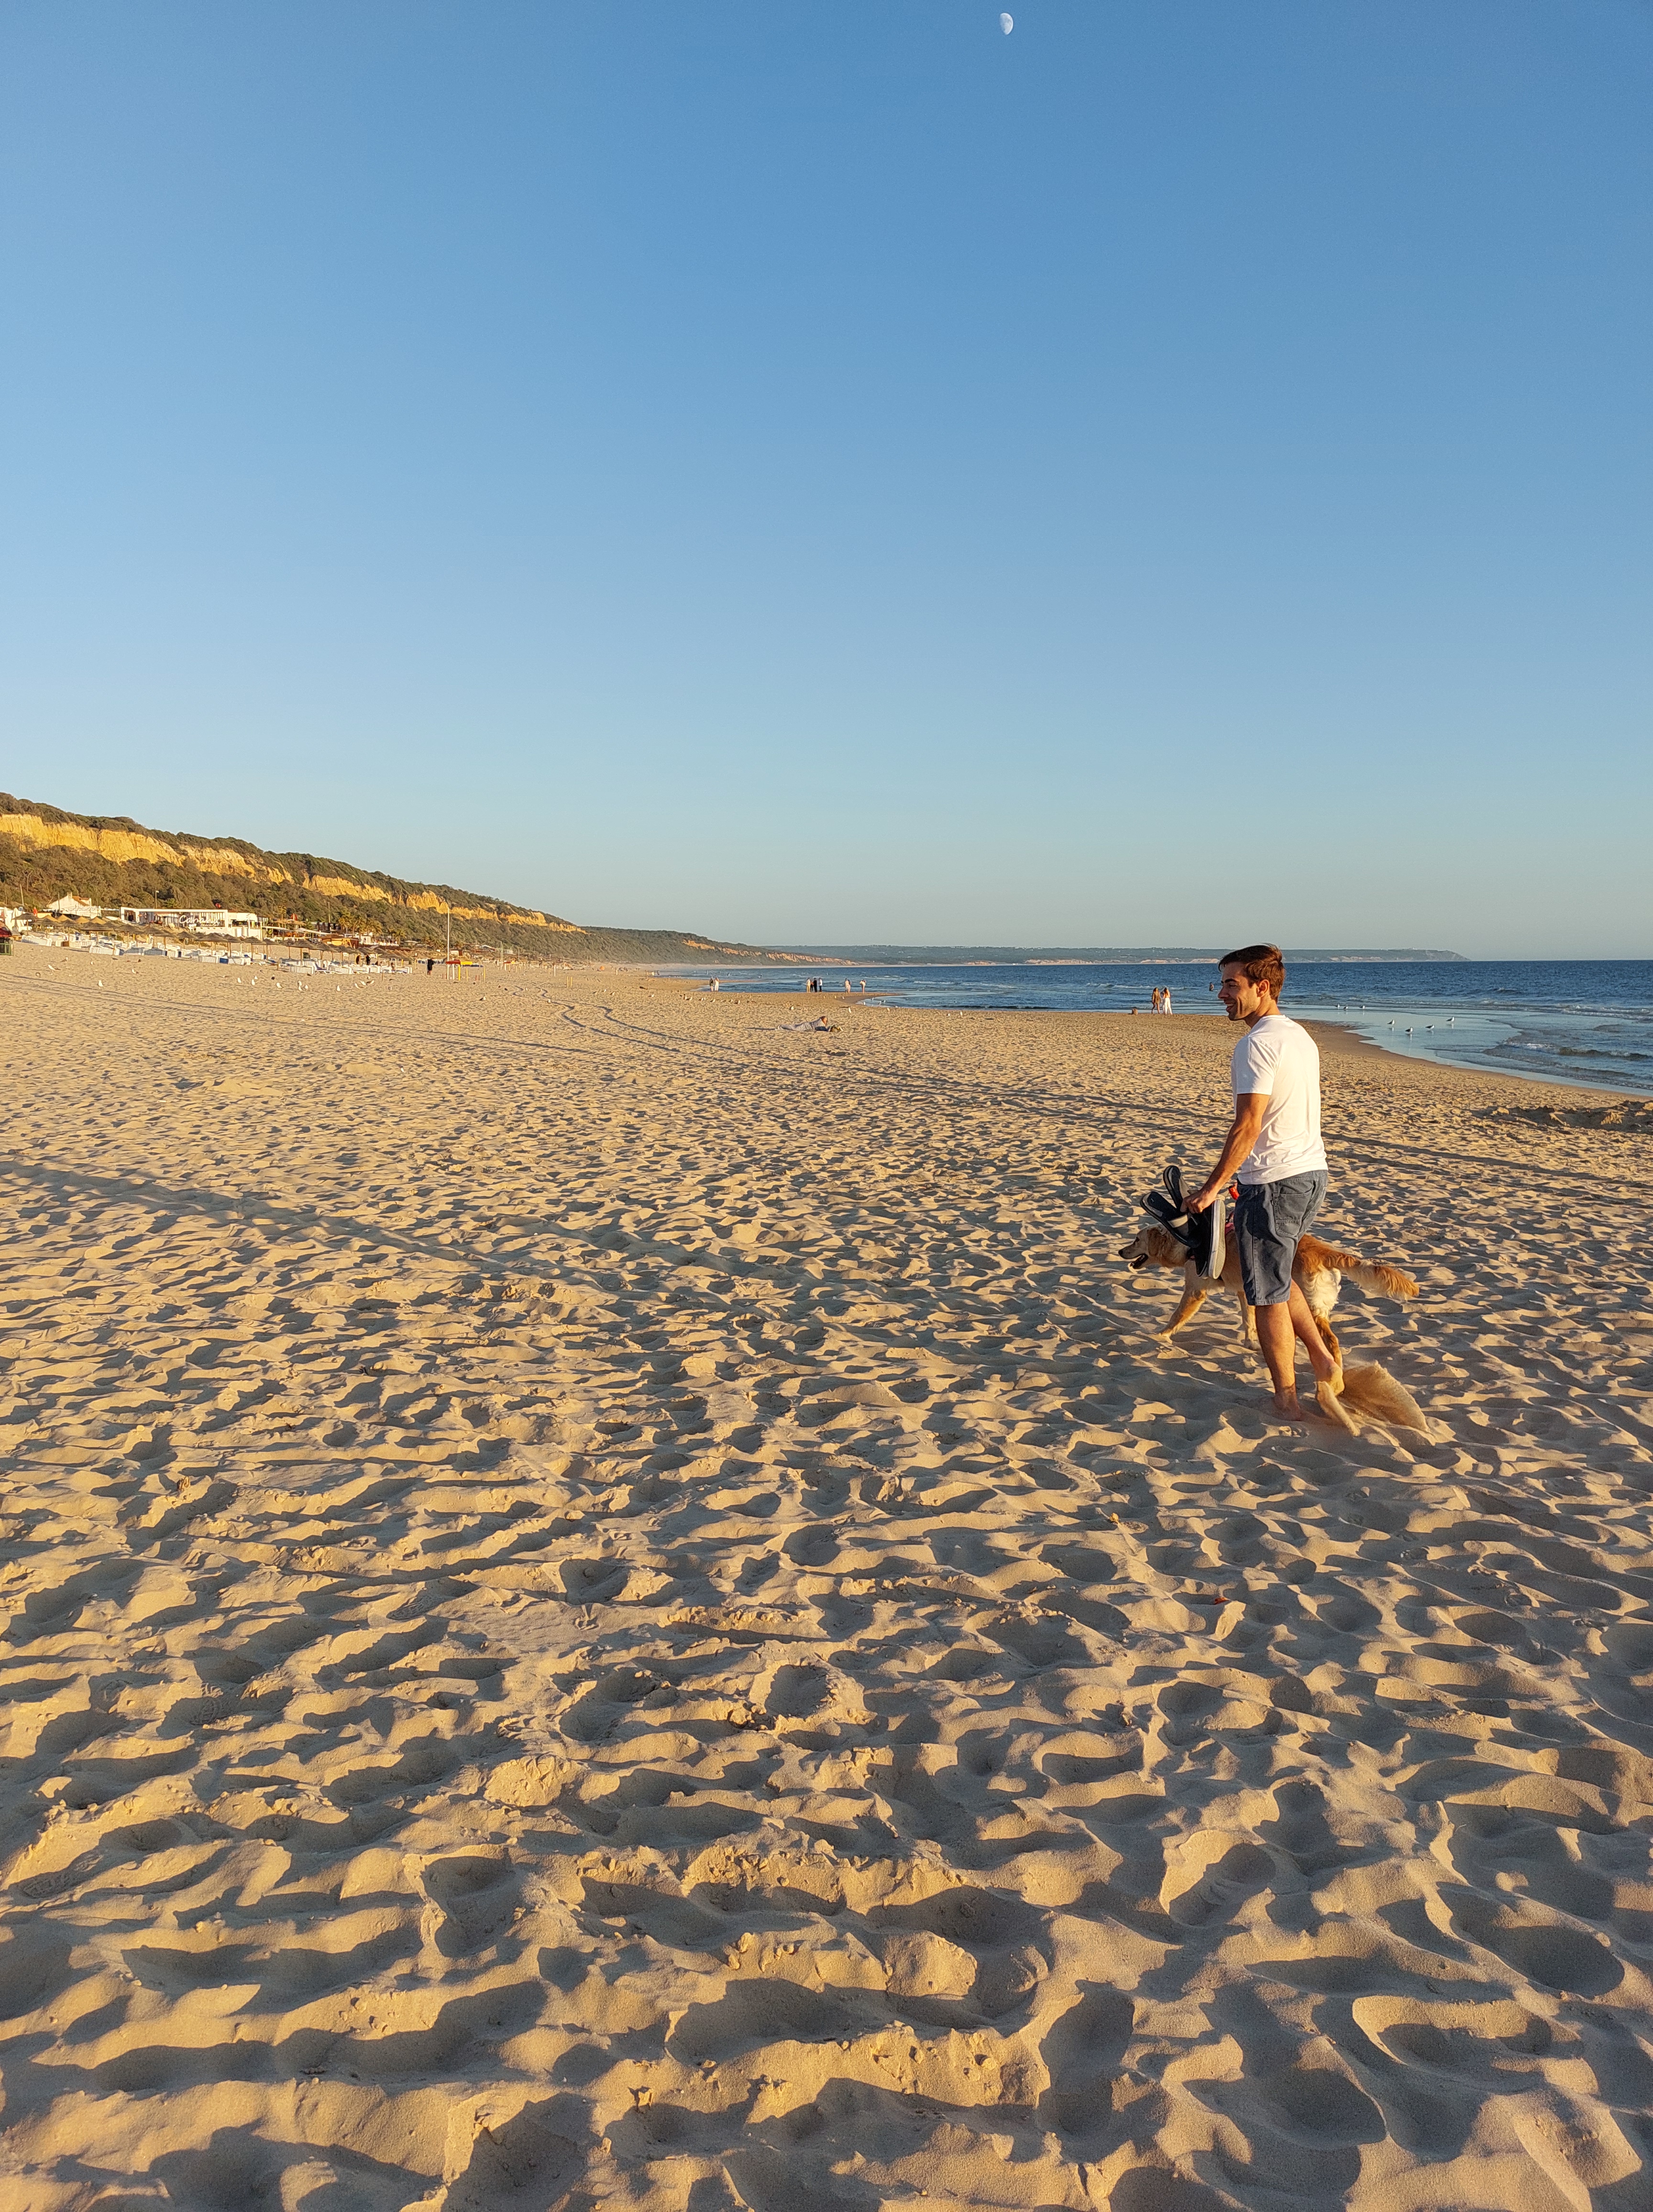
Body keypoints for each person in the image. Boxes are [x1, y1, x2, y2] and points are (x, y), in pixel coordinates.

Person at [1189, 942, 1340, 1422]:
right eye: (1222, 984)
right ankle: (1322, 1358)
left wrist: (1213, 1187)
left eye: (1231, 985)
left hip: (1274, 1183)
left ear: (1262, 986)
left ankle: (1287, 1399)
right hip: (1310, 1175)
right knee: (1276, 1275)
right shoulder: (1298, 1035)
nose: (1222, 995)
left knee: (1267, 1297)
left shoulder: (1256, 1044)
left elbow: (1249, 1124)